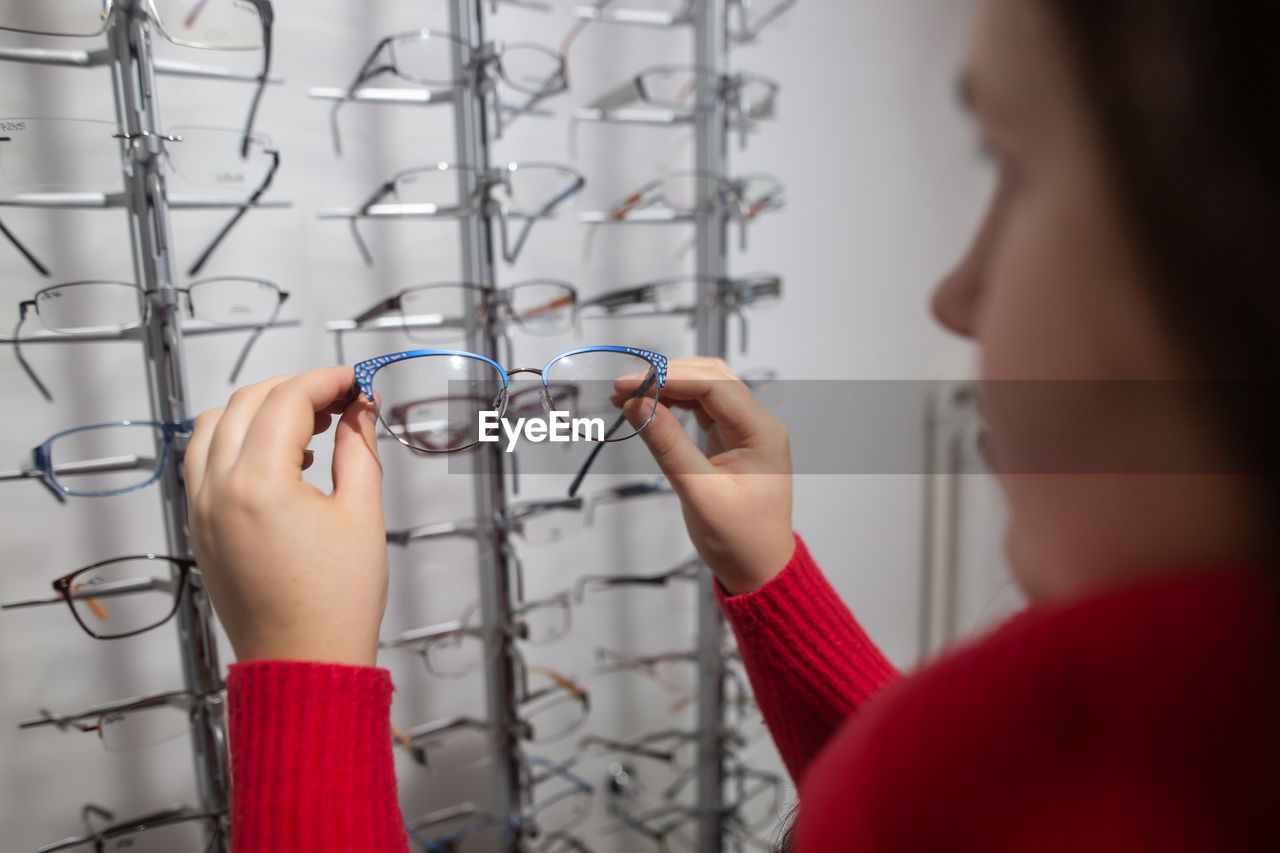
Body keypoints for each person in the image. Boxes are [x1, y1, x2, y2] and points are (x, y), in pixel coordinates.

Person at [184, 0, 1280, 850]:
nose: (956, 292)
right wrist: (772, 577)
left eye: (1014, 163)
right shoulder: (1191, 750)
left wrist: (303, 676)